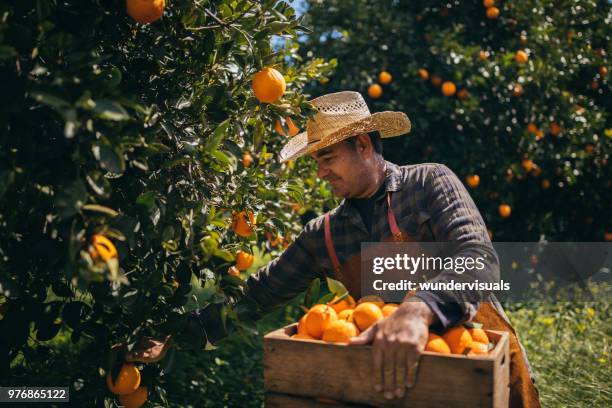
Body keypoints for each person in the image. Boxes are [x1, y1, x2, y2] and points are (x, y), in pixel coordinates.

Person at [129, 91, 541, 407]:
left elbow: (479, 259)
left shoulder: (428, 183)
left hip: (473, 363)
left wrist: (420, 308)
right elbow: (256, 296)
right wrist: (179, 333)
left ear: (363, 145)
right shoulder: (323, 234)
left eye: (327, 157)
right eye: (316, 162)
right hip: (385, 378)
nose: (321, 172)